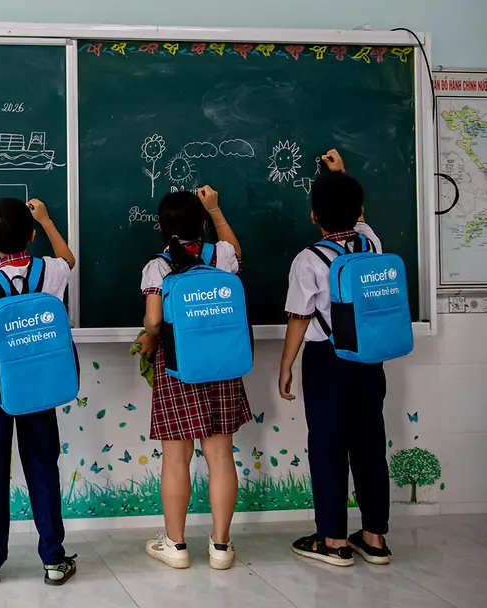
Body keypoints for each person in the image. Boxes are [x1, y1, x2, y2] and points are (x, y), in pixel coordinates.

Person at [278, 149, 393, 567]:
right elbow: (356, 217)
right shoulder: (373, 244)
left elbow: (298, 318)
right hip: (369, 357)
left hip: (327, 360)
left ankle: (333, 540)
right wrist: (340, 174)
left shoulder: (308, 259)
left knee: (327, 447)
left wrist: (286, 366)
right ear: (360, 211)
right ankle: (375, 537)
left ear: (313, 216)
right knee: (369, 443)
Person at [0, 198, 78, 586]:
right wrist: (47, 219)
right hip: (41, 384)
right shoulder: (53, 271)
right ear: (30, 234)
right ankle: (54, 560)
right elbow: (68, 257)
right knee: (43, 467)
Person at [135, 186, 252, 570]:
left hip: (178, 366)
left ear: (160, 227)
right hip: (223, 364)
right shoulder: (221, 254)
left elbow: (154, 321)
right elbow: (236, 251)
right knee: (220, 455)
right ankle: (221, 547)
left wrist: (149, 340)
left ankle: (177, 545)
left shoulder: (158, 266)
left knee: (176, 458)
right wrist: (217, 211)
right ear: (201, 222)